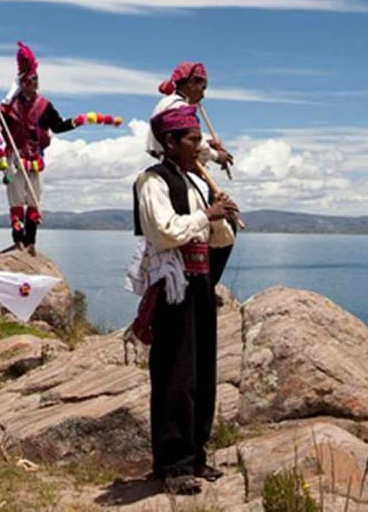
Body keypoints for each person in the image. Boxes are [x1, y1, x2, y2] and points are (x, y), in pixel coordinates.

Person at [129, 104, 240, 494]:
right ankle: (172, 465)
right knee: (174, 374)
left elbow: (217, 240)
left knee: (201, 372)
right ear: (171, 142)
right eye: (192, 140)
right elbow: (162, 232)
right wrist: (207, 215)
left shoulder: (194, 182)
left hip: (199, 285)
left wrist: (222, 216)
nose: (199, 147)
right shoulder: (152, 180)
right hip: (173, 289)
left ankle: (195, 455)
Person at [145, 61, 237, 286]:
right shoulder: (176, 106)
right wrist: (216, 155)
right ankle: (206, 283)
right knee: (224, 222)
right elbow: (189, 141)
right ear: (190, 83)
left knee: (220, 222)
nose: (203, 95)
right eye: (201, 88)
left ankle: (202, 283)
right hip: (179, 169)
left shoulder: (171, 104)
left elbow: (189, 140)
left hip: (179, 166)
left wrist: (207, 145)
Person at [0, 42, 77, 254]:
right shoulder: (10, 106)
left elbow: (57, 126)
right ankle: (18, 240)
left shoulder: (44, 106)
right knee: (16, 200)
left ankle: (31, 242)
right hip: (14, 158)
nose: (33, 84)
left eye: (35, 80)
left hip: (35, 159)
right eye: (29, 81)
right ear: (22, 83)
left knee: (34, 201)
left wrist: (77, 121)